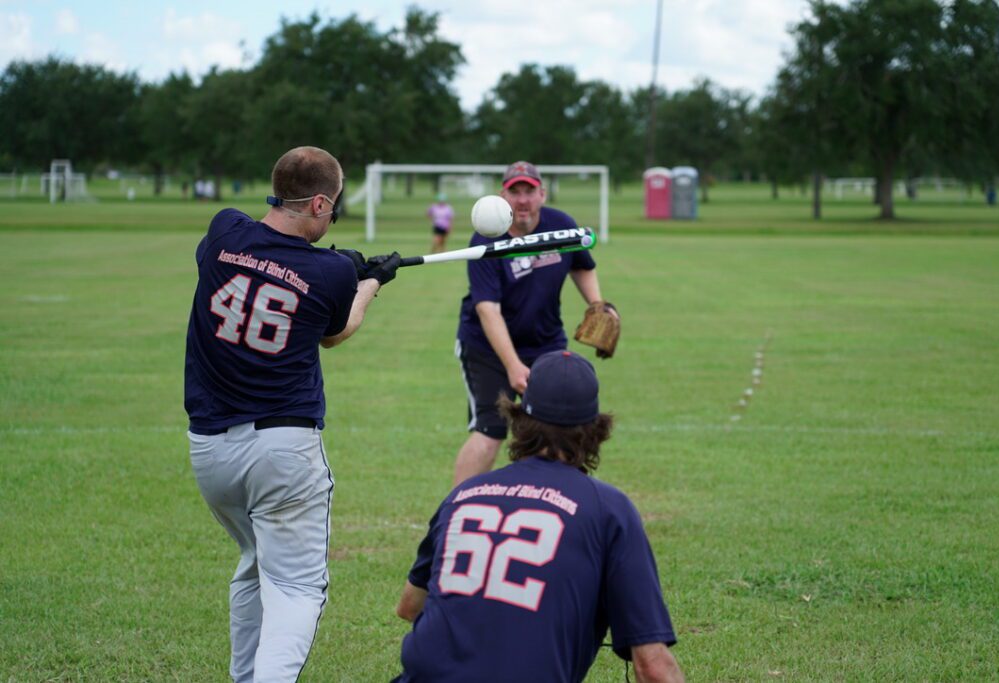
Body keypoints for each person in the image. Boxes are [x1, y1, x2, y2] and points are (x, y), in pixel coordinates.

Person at [184, 145, 401, 683]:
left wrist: (334, 267)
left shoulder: (224, 230)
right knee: (300, 586)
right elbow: (336, 332)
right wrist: (370, 282)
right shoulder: (329, 273)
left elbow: (268, 262)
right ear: (321, 204)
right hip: (282, 453)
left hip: (210, 452)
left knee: (256, 566)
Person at [395, 350, 685, 683]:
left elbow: (409, 605)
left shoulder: (464, 494)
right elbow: (652, 666)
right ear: (596, 429)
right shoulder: (609, 509)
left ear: (517, 418)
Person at [453, 160, 614, 486]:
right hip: (487, 347)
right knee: (490, 431)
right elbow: (488, 310)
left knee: (556, 426)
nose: (523, 200)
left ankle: (551, 501)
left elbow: (581, 264)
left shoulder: (560, 225)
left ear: (542, 194)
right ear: (503, 196)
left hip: (546, 343)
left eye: (530, 191)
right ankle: (454, 509)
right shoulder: (485, 240)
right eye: (516, 192)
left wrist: (598, 305)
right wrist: (513, 366)